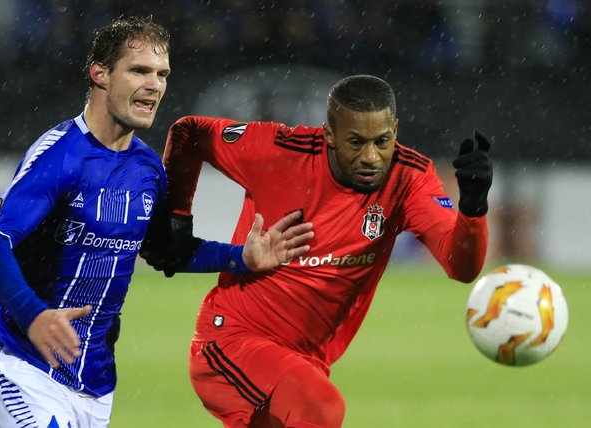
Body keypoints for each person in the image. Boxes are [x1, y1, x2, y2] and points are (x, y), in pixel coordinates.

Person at [0, 16, 314, 428]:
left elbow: (164, 251)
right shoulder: (60, 156)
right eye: (139, 71)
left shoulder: (147, 168)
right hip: (23, 367)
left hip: (95, 386)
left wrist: (242, 257)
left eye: (162, 74)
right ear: (100, 73)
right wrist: (33, 316)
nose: (154, 85)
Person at [162, 74, 492, 428]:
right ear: (329, 134)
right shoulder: (279, 150)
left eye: (382, 141)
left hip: (304, 365)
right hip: (231, 342)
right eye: (356, 142)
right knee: (321, 407)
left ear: (395, 131)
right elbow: (190, 132)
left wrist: (472, 208)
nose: (371, 157)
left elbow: (460, 267)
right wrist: (175, 218)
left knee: (313, 405)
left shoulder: (409, 177)